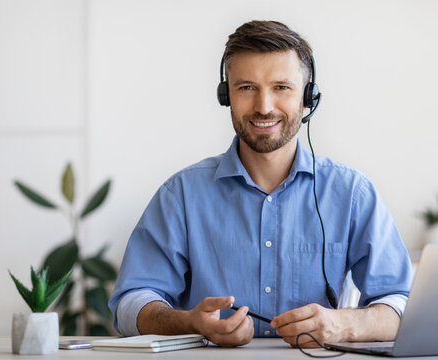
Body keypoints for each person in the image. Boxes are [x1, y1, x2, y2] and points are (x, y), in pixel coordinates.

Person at [109, 20, 412, 348]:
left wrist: (343, 324)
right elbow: (130, 305)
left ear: (309, 98)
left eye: (281, 87)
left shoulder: (352, 194)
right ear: (226, 96)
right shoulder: (180, 195)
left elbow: (402, 303)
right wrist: (188, 322)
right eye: (246, 88)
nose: (264, 106)